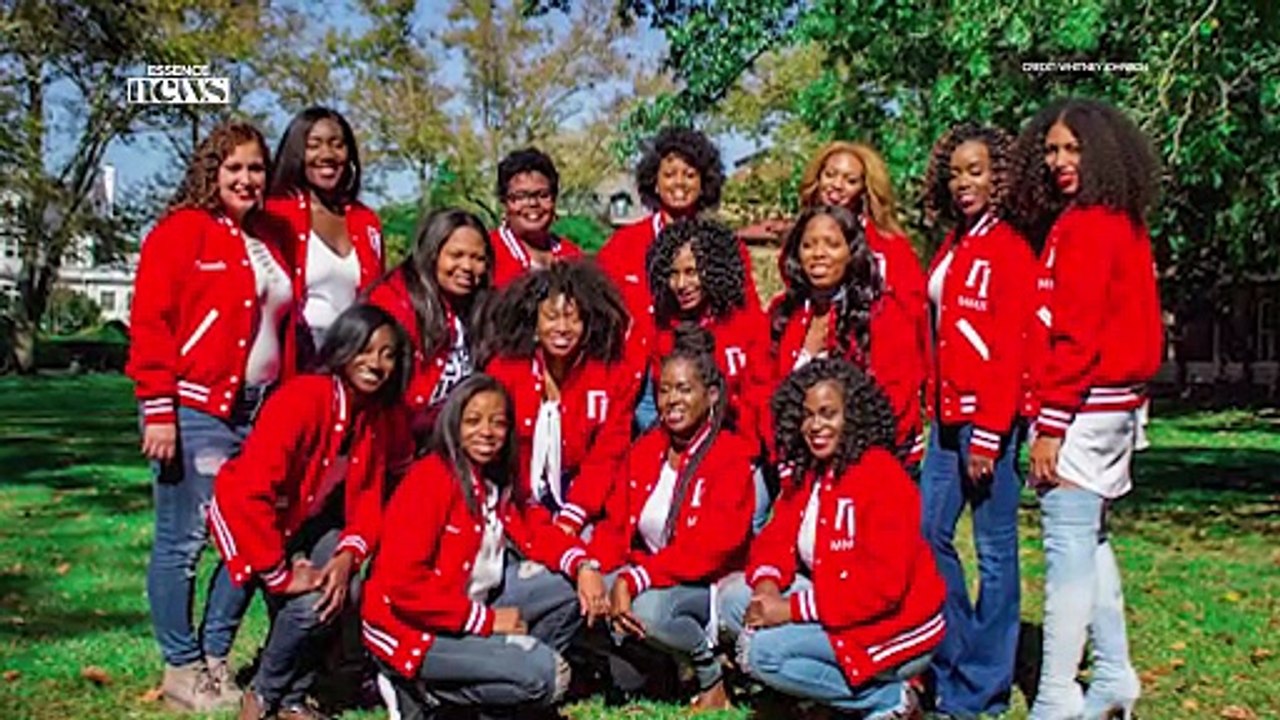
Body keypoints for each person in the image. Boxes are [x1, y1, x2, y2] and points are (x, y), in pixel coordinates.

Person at [128, 120, 293, 711]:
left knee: (246, 536)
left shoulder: (274, 237)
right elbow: (150, 324)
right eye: (234, 169)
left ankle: (215, 657)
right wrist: (157, 408)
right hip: (196, 408)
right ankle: (180, 665)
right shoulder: (180, 233)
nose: (247, 179)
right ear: (211, 172)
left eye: (255, 168)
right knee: (185, 540)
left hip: (263, 412)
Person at [1011, 98, 1163, 720]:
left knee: (1066, 549)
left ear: (1102, 151)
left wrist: (1050, 423)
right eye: (1050, 149)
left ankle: (1055, 698)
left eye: (1073, 149)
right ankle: (1113, 679)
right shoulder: (1113, 220)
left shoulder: (1090, 226)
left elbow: (1075, 333)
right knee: (1091, 542)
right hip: (1110, 404)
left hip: (1086, 406)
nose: (1058, 161)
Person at [207, 305, 410, 720]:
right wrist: (279, 573)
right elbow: (251, 493)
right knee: (305, 603)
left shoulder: (372, 417)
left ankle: (293, 699)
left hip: (300, 522)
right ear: (342, 348)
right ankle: (262, 695)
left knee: (341, 589)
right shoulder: (303, 398)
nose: (376, 363)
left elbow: (368, 501)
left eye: (388, 354)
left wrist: (348, 556)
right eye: (365, 350)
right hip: (250, 522)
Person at [719, 359, 945, 719]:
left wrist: (789, 611)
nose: (815, 426)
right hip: (836, 603)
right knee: (735, 603)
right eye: (808, 415)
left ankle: (890, 701)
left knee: (762, 654)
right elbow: (776, 539)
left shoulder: (883, 477)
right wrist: (767, 586)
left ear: (852, 417)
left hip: (893, 623)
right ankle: (813, 693)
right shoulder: (813, 472)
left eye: (828, 414)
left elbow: (882, 590)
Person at [362, 374, 595, 719]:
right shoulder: (429, 480)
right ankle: (421, 691)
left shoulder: (496, 480)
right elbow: (403, 586)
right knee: (546, 677)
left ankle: (495, 682)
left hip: (469, 603)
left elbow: (537, 531)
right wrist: (485, 621)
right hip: (411, 627)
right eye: (473, 421)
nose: (486, 432)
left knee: (569, 587)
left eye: (498, 423)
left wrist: (582, 566)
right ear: (453, 423)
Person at [918, 123, 1038, 718]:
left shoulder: (1010, 248)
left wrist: (990, 433)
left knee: (995, 556)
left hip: (987, 423)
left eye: (977, 171)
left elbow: (1009, 350)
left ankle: (983, 693)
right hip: (943, 422)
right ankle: (958, 661)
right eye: (956, 171)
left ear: (1001, 179)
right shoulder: (955, 242)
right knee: (927, 534)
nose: (964, 182)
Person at [589, 326, 755, 710]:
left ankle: (709, 673)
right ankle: (654, 665)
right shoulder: (647, 449)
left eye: (684, 389)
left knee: (647, 610)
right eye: (664, 390)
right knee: (583, 590)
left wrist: (634, 579)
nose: (671, 401)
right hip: (651, 572)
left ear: (710, 396)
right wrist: (593, 569)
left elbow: (711, 548)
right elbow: (616, 523)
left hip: (706, 584)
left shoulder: (730, 457)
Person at [596, 127, 758, 431]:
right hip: (642, 383)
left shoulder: (726, 247)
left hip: (709, 375)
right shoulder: (623, 245)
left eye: (690, 174)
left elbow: (747, 316)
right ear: (654, 182)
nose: (679, 183)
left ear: (704, 182)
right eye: (670, 174)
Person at [481, 260, 639, 541]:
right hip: (515, 496)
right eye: (551, 317)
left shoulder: (613, 375)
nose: (563, 328)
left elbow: (607, 455)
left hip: (581, 496)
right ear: (534, 323)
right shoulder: (503, 371)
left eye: (573, 317)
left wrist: (574, 515)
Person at [798, 141, 927, 461]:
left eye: (850, 180)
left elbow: (912, 325)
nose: (837, 186)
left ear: (864, 190)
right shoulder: (804, 238)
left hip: (875, 384)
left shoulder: (890, 248)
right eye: (831, 175)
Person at [645, 217, 774, 529]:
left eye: (691, 272)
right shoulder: (664, 331)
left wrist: (746, 457)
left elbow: (762, 397)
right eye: (673, 274)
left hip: (744, 456)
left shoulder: (746, 322)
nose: (681, 284)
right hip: (687, 458)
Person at [767, 205, 923, 460]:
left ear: (852, 253)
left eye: (832, 244)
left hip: (873, 456)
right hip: (797, 456)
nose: (818, 254)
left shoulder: (882, 313)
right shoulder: (785, 313)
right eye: (808, 245)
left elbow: (897, 398)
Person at [367, 208, 492, 446]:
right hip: (399, 441)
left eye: (478, 259)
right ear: (432, 254)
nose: (467, 266)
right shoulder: (394, 302)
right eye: (456, 255)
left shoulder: (476, 306)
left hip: (454, 440)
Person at [267, 107, 384, 359]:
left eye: (337, 144)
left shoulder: (367, 222)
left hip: (352, 354)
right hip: (293, 355)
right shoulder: (274, 214)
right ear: (297, 152)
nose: (327, 154)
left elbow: (377, 298)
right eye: (314, 145)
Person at [489, 148, 583, 287]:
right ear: (505, 202)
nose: (533, 203)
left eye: (543, 195)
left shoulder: (573, 256)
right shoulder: (488, 252)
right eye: (520, 196)